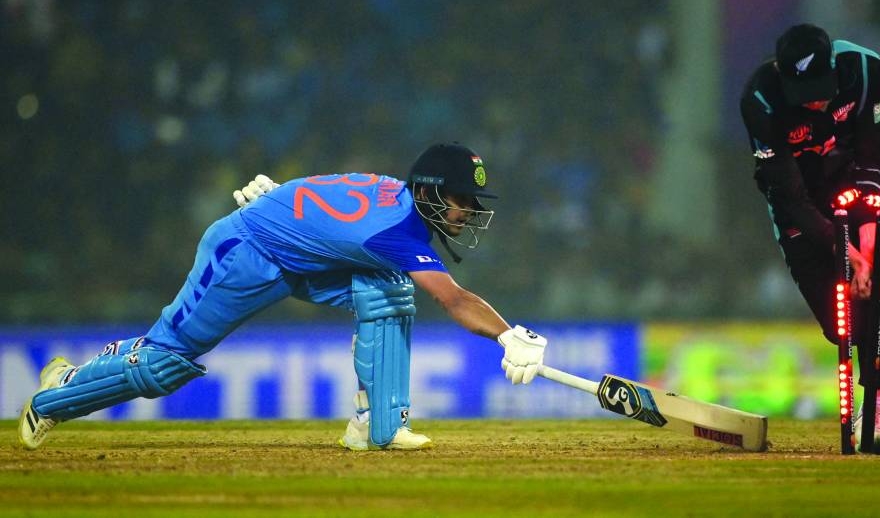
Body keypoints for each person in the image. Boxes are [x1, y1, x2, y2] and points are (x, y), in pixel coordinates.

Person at [18, 142, 548, 451]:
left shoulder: (396, 193)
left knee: (387, 288)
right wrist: (507, 335)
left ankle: (375, 425)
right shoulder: (398, 233)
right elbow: (452, 300)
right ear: (429, 191)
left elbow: (332, 195)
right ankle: (57, 393)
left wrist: (281, 198)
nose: (468, 212)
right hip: (245, 252)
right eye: (461, 199)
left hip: (297, 257)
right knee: (164, 365)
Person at [739, 23, 880, 437]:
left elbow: (870, 159)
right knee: (839, 327)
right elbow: (790, 196)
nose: (816, 102)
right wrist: (845, 251)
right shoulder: (760, 100)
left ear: (832, 66)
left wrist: (870, 245)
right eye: (805, 95)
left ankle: (876, 410)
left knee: (872, 289)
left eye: (821, 90)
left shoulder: (865, 70)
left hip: (854, 184)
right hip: (799, 206)